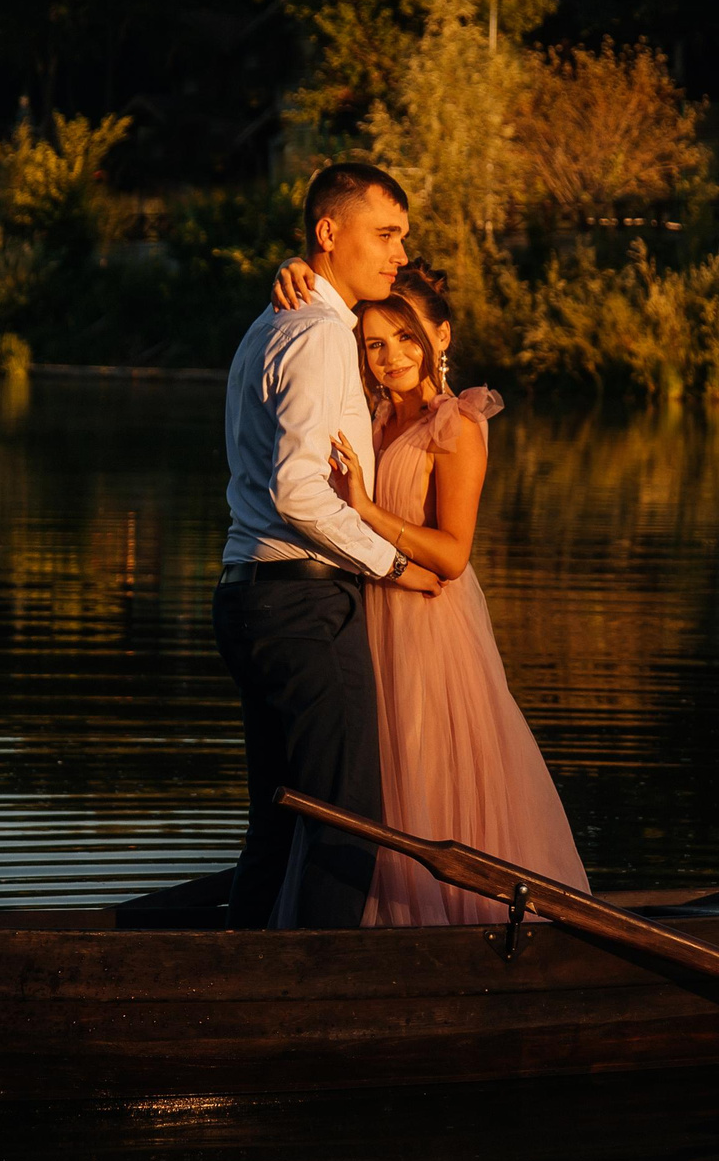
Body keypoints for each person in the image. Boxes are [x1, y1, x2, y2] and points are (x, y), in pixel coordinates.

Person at [268, 259, 590, 925]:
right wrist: (294, 269)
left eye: (405, 338)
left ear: (440, 337)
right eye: (374, 344)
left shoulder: (456, 425)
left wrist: (365, 507)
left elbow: (452, 553)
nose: (391, 357)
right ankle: (353, 917)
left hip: (429, 624)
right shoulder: (371, 416)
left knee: (424, 766)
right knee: (371, 774)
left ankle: (439, 919)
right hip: (367, 616)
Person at [215, 164, 443, 929]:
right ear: (328, 232)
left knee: (279, 821)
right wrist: (394, 565)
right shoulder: (316, 334)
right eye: (386, 234)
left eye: (402, 238)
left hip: (248, 595)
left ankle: (237, 969)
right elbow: (298, 491)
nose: (399, 253)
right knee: (348, 821)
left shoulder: (270, 322)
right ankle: (316, 980)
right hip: (302, 604)